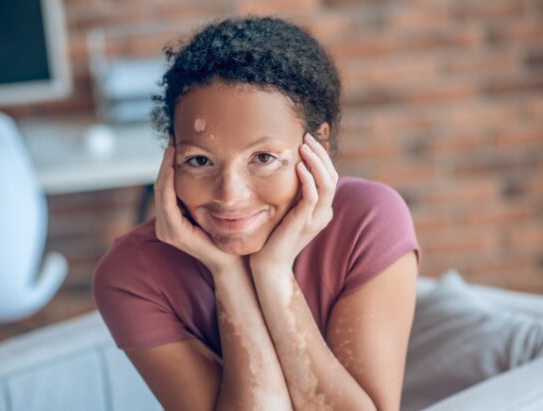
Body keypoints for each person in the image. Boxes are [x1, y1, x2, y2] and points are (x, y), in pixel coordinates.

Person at [93, 16, 422, 411]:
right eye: (199, 160)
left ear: (316, 143)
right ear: (171, 159)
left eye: (263, 158)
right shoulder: (131, 274)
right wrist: (228, 273)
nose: (230, 195)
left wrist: (273, 273)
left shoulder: (369, 222)